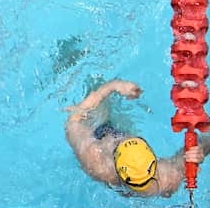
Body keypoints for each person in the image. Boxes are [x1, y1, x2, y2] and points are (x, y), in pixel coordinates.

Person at [65, 78, 203, 197]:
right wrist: (196, 153)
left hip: (99, 132)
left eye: (120, 142)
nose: (123, 138)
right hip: (109, 135)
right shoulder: (165, 179)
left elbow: (73, 121)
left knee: (96, 84)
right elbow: (202, 143)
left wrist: (113, 86)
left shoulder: (97, 163)